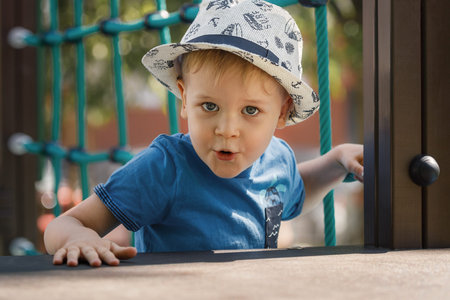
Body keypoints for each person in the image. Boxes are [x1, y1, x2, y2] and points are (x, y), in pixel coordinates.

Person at [44, 0, 363, 267]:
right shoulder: (165, 167)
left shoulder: (279, 161)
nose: (227, 130)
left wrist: (336, 162)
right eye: (209, 106)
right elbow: (66, 223)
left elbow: (294, 189)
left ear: (281, 112)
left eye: (250, 110)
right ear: (184, 98)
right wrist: (78, 238)